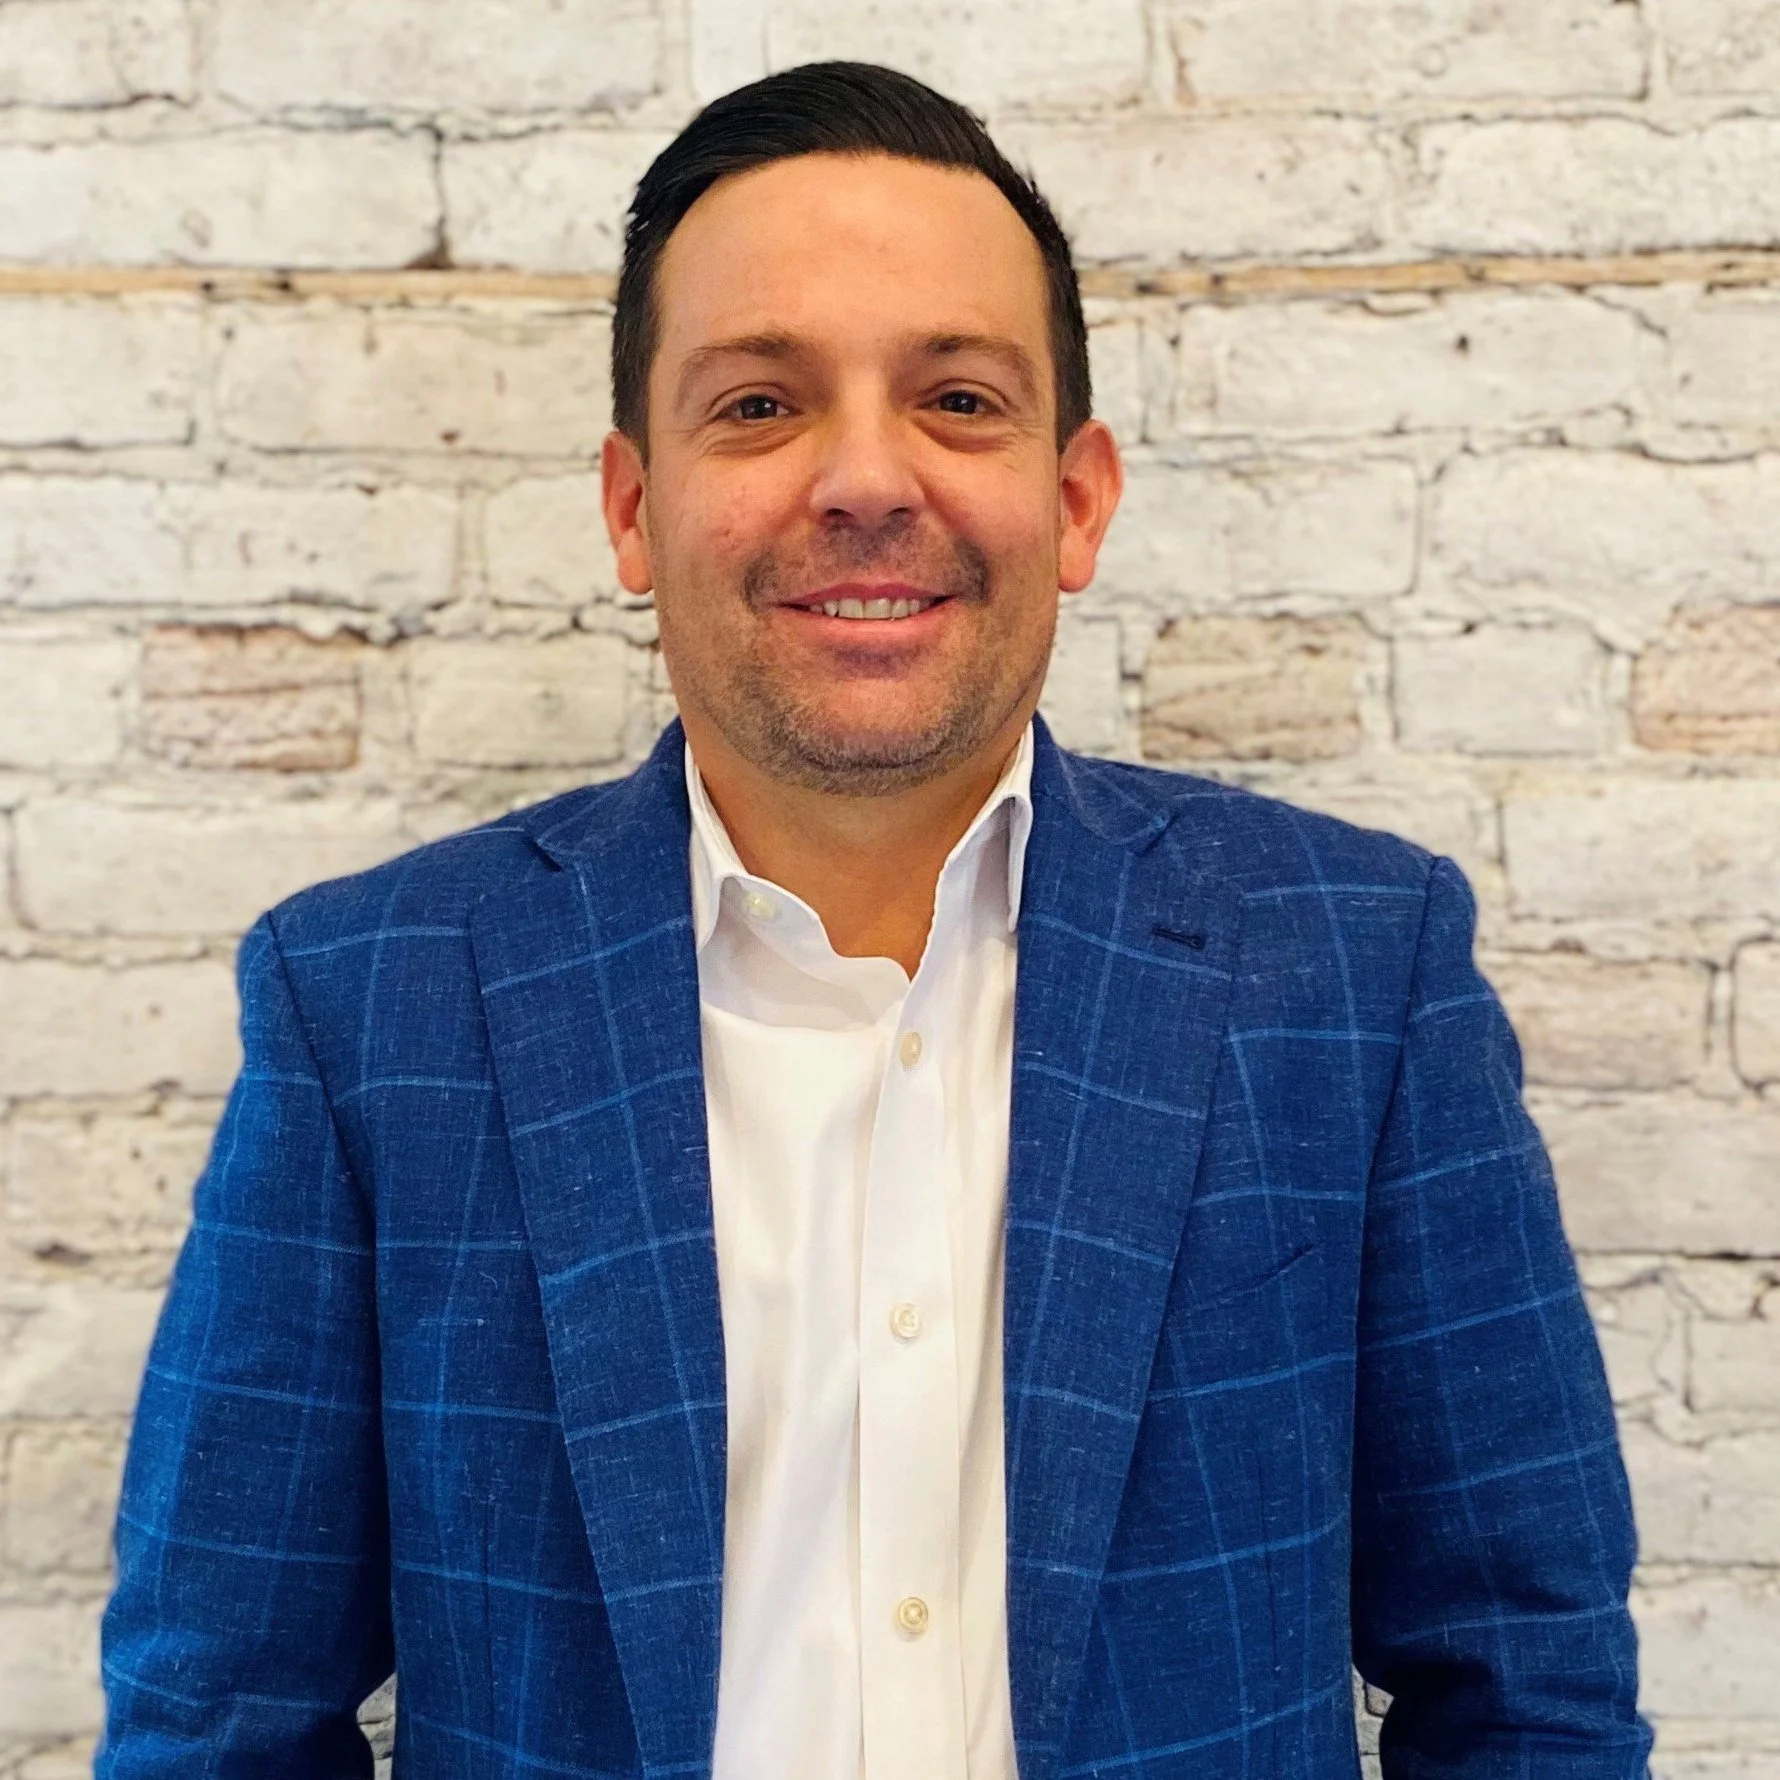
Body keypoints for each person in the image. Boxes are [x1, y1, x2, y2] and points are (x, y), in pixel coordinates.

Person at [98, 61, 1651, 1780]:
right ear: (633, 506)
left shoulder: (1356, 970)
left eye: (958, 400)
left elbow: (1529, 1690)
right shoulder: (370, 1009)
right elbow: (220, 1724)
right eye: (760, 404)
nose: (862, 478)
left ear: (1076, 499)